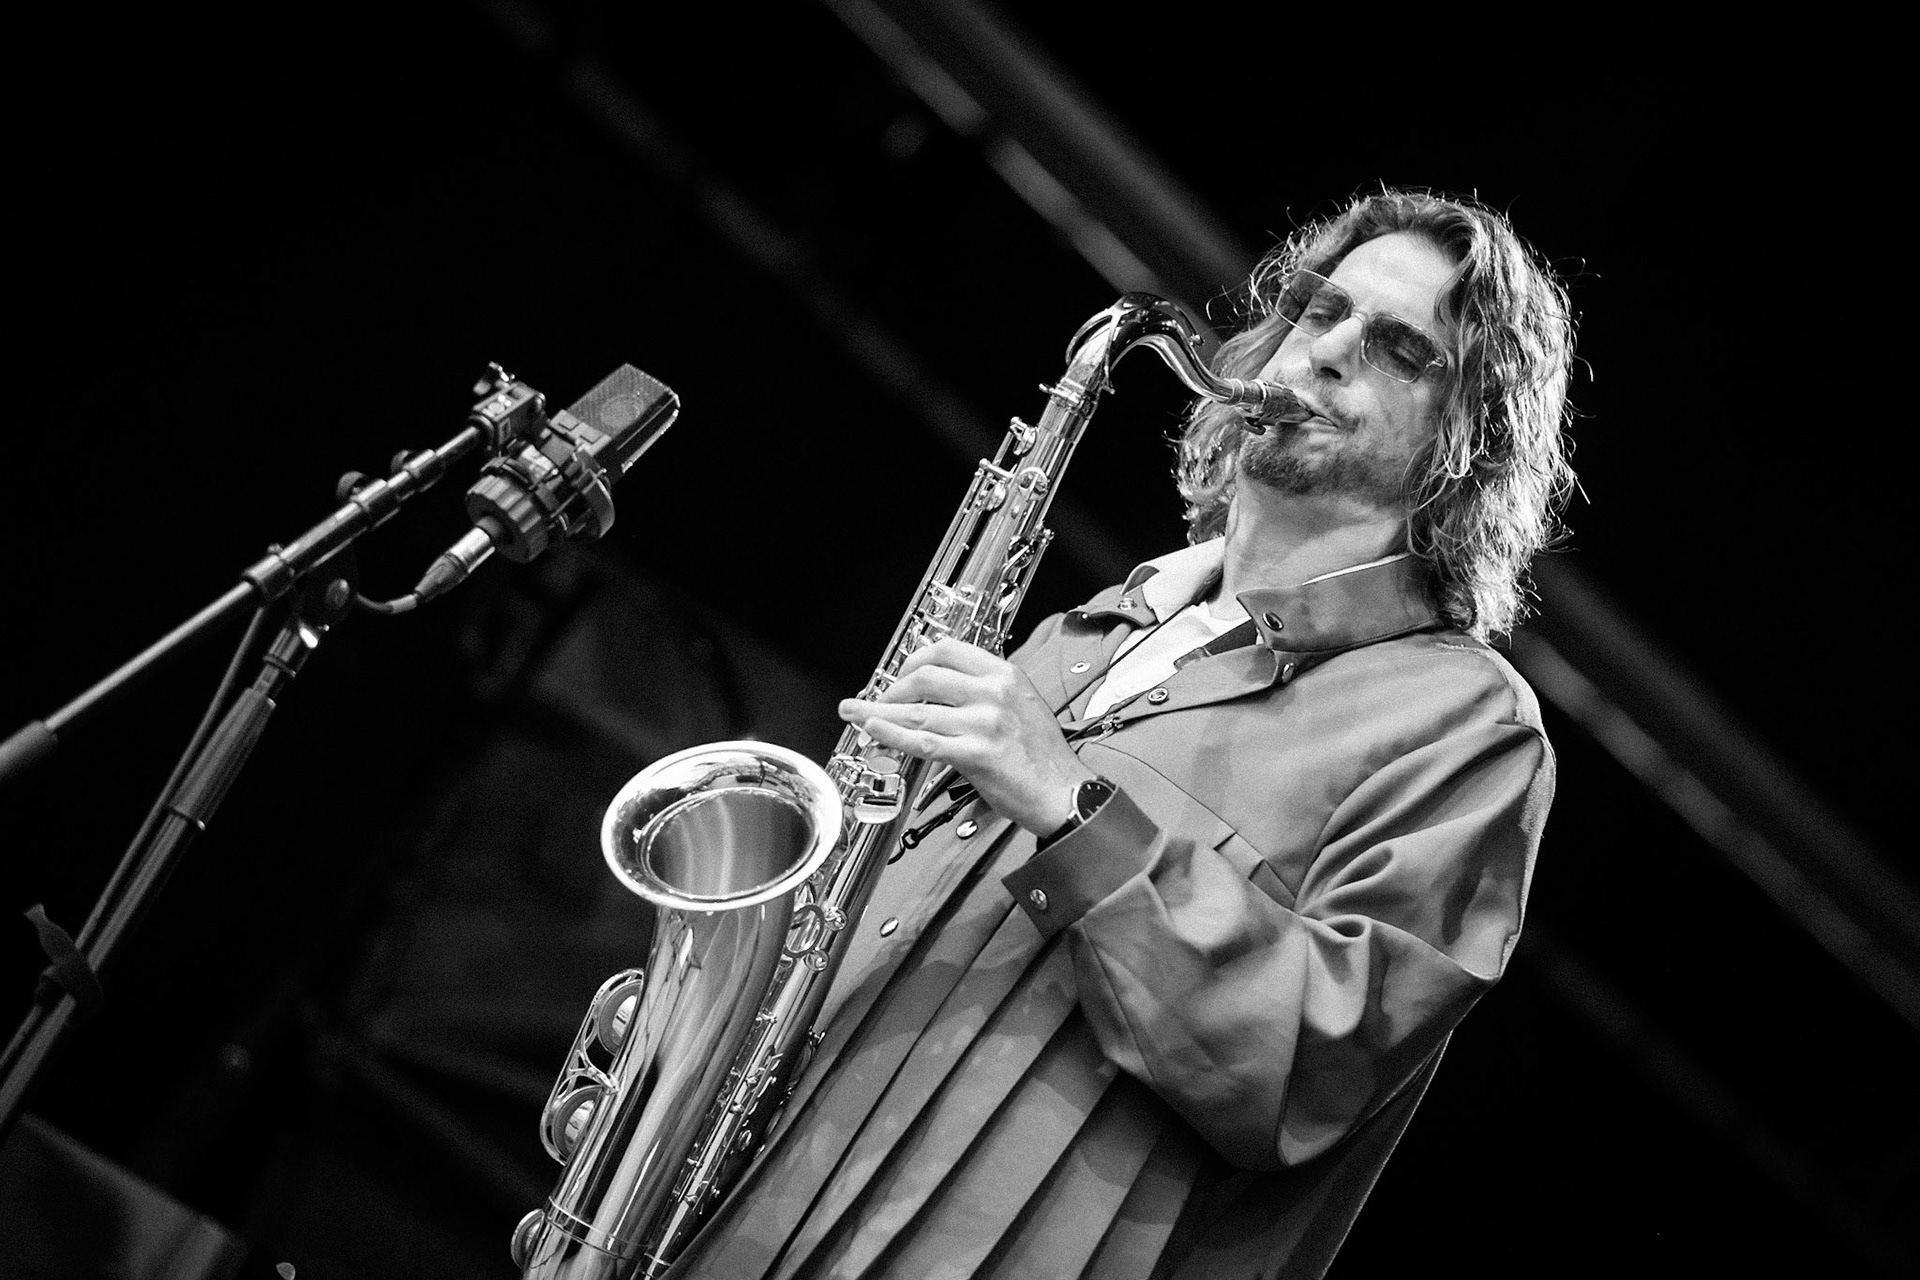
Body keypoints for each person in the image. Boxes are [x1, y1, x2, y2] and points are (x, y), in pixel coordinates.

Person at [667, 187, 1577, 1279]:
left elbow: (1308, 1066)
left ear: (1467, 439)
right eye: (1318, 311)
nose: (1327, 353)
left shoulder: (1465, 726)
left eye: (1399, 351)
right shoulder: (1076, 634)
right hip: (744, 1212)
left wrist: (1070, 808)